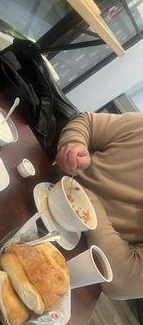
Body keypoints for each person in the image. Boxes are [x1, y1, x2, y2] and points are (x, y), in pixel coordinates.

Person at [55, 111, 143, 301]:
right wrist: (75, 144)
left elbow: (123, 282)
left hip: (78, 257)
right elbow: (87, 121)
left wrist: (87, 203)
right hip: (50, 189)